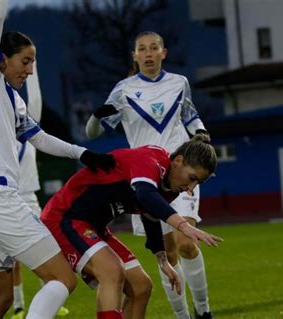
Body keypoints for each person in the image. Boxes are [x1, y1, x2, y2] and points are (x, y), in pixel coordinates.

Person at [0, 0, 115, 318]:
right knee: (62, 278)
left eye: (33, 63)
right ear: (2, 59)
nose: (29, 69)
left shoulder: (12, 100)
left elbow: (39, 138)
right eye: (25, 61)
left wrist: (82, 153)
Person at [85, 31, 214, 318]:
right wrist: (95, 116)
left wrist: (201, 133)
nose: (148, 53)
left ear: (163, 53)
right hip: (145, 178)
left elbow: (191, 116)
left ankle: (204, 311)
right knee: (167, 251)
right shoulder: (123, 90)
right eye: (142, 49)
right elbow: (92, 133)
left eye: (153, 48)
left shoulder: (179, 83)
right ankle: (182, 316)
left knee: (186, 242)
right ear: (134, 56)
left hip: (181, 174)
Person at [40, 135, 223, 319]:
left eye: (197, 183)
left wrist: (162, 259)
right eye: (192, 178)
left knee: (141, 286)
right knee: (111, 270)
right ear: (178, 160)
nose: (191, 187)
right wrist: (184, 226)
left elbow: (150, 214)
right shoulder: (151, 159)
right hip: (65, 217)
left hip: (94, 226)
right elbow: (145, 195)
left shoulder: (172, 185)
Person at [10, 62, 69, 319]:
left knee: (48, 248)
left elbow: (34, 99)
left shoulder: (29, 126)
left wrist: (32, 66)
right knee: (10, 260)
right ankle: (19, 306)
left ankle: (50, 300)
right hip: (5, 199)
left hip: (30, 198)